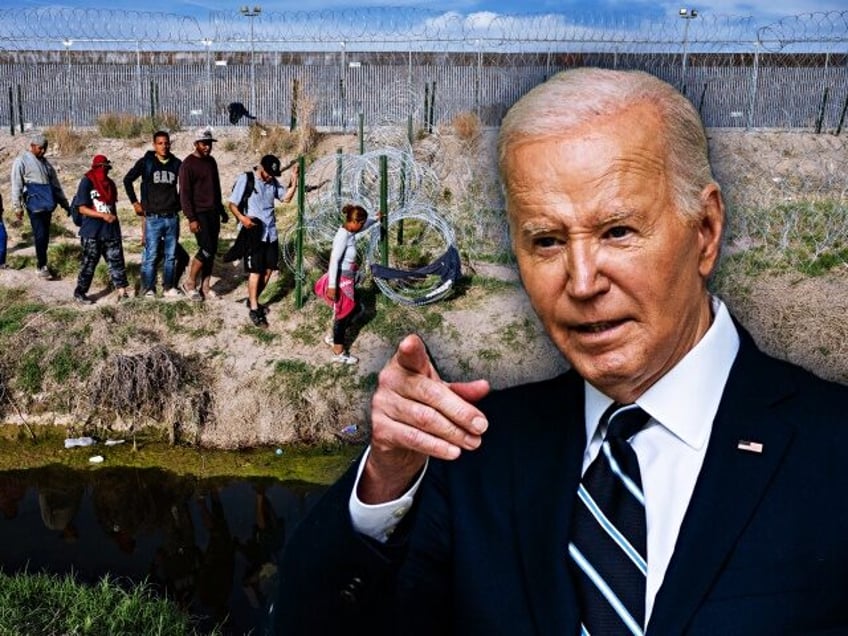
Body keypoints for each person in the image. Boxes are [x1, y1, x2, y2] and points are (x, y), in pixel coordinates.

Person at [276, 67, 848, 634]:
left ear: (705, 230)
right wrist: (386, 480)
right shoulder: (478, 454)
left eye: (618, 232)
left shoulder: (832, 451)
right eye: (547, 241)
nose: (581, 283)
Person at [226, 154, 298, 328]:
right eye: (267, 173)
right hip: (253, 233)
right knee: (256, 271)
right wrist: (242, 219)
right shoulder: (246, 179)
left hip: (270, 233)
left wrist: (294, 179)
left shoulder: (272, 183)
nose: (269, 177)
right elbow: (232, 204)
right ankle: (254, 308)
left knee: (268, 270)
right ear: (261, 167)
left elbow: (286, 198)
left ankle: (253, 300)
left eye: (272, 175)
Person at [123, 130, 184, 298]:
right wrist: (135, 202)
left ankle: (169, 287)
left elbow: (186, 186)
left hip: (172, 218)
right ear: (154, 145)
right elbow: (127, 180)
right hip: (153, 218)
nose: (164, 146)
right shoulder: (146, 162)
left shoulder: (177, 163)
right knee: (151, 255)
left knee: (171, 256)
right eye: (160, 143)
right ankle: (148, 289)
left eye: (166, 143)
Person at [316, 204, 378, 364]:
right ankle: (338, 351)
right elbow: (334, 260)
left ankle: (332, 336)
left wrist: (376, 218)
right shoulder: (343, 236)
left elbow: (366, 224)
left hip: (347, 277)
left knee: (353, 309)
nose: (362, 226)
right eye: (361, 224)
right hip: (340, 280)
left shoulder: (350, 230)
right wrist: (332, 286)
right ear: (355, 222)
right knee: (343, 314)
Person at [9, 132, 71, 278]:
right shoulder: (21, 160)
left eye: (45, 148)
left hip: (47, 204)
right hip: (34, 204)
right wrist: (17, 206)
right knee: (40, 234)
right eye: (40, 148)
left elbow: (56, 186)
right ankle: (41, 266)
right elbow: (16, 184)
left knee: (44, 235)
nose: (43, 151)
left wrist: (65, 204)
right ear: (32, 146)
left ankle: (42, 263)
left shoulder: (46, 164)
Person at [72, 154, 130, 304]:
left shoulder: (110, 184)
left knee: (117, 262)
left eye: (106, 168)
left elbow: (113, 207)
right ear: (95, 167)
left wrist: (116, 229)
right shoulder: (86, 182)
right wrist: (102, 215)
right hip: (92, 232)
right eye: (101, 168)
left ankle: (122, 292)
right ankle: (80, 292)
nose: (104, 171)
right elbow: (82, 209)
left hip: (110, 230)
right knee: (89, 264)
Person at [179, 126, 227, 302]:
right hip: (199, 214)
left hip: (213, 212)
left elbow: (216, 188)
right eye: (203, 144)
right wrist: (191, 218)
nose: (207, 147)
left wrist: (221, 210)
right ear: (196, 144)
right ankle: (189, 283)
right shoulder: (188, 165)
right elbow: (184, 194)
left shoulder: (211, 162)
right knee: (206, 249)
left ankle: (205, 287)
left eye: (209, 144)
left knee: (212, 251)